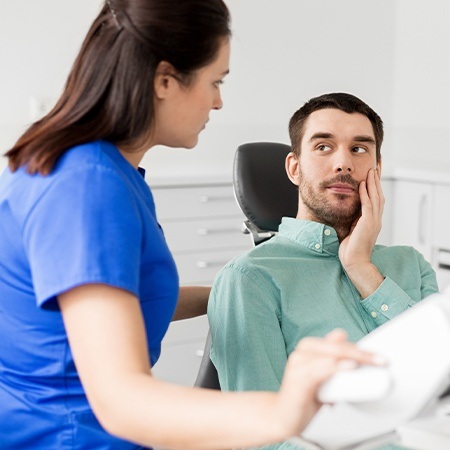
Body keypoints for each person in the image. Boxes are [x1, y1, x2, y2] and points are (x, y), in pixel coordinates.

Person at [0, 3, 383, 450]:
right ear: (165, 81)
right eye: (214, 81)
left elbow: (120, 296)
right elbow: (121, 401)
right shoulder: (89, 188)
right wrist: (282, 410)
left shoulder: (99, 171)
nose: (218, 100)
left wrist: (245, 285)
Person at [207, 92, 439, 449]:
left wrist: (361, 268)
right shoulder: (250, 279)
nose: (343, 163)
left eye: (360, 149)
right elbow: (261, 438)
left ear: (376, 167)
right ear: (294, 168)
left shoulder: (411, 264)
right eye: (324, 147)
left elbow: (438, 376)